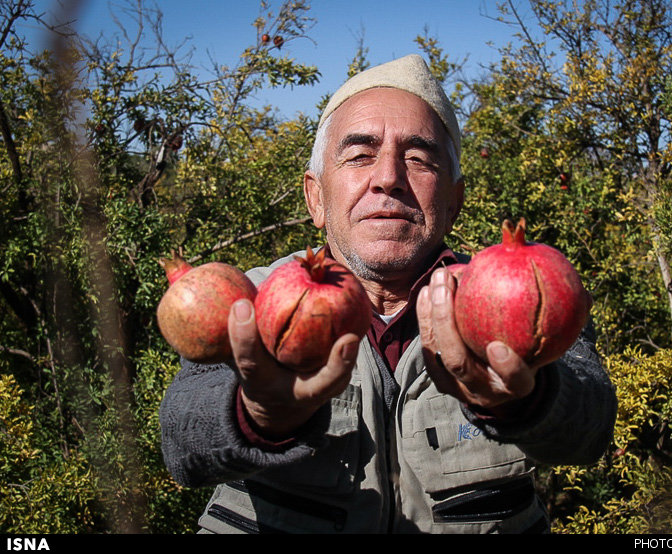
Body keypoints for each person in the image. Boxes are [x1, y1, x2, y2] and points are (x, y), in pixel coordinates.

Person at [159, 54, 617, 534]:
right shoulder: (249, 298)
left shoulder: (528, 294)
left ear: (454, 200)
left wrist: (529, 401)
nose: (388, 178)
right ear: (316, 197)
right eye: (360, 155)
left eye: (418, 158)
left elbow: (591, 428)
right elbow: (182, 441)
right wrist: (256, 415)